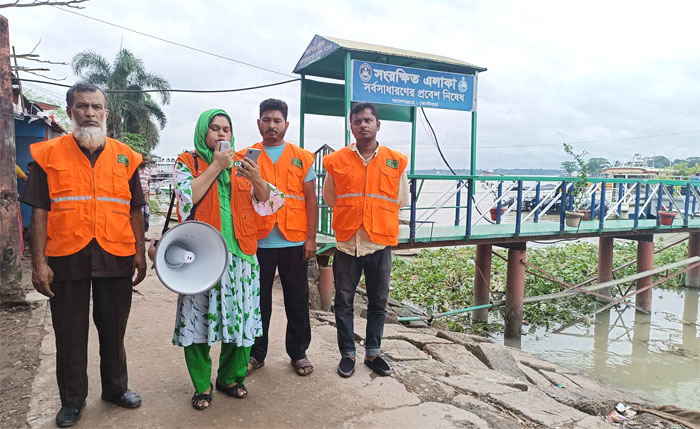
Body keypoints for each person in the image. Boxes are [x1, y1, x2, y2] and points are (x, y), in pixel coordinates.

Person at [19, 82, 147, 428]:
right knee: (69, 332)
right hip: (65, 254)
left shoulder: (126, 157)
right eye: (82, 107)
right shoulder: (47, 155)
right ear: (70, 110)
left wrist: (139, 252)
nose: (89, 113)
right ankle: (72, 401)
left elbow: (136, 209)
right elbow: (40, 212)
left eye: (96, 107)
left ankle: (116, 389)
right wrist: (39, 263)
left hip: (115, 253)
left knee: (113, 329)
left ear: (107, 113)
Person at [171, 109, 284, 411]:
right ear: (202, 134)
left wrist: (257, 179)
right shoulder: (188, 162)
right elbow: (186, 197)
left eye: (226, 129)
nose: (221, 134)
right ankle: (202, 384)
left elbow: (272, 203)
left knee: (242, 322)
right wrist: (215, 166)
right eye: (215, 129)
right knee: (198, 324)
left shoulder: (243, 166)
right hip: (200, 260)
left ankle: (231, 378)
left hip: (241, 257)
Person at [322, 102, 409, 378]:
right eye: (358, 121)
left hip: (379, 242)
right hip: (348, 241)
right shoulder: (336, 161)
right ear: (351, 126)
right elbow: (330, 197)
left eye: (368, 120)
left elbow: (401, 199)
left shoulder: (395, 160)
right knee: (343, 302)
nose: (363, 125)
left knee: (378, 301)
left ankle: (373, 353)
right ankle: (348, 354)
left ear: (377, 125)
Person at [241, 99, 317, 377]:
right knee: (257, 301)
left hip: (294, 239)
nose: (271, 125)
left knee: (297, 299)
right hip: (257, 241)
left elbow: (311, 200)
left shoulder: (302, 157)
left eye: (277, 120)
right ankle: (255, 353)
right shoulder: (245, 156)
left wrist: (311, 238)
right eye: (266, 120)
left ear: (287, 124)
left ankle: (298, 352)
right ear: (258, 122)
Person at [138, 154, 152, 233]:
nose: (145, 162)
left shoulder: (148, 170)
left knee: (145, 217)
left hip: (145, 196)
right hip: (137, 197)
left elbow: (148, 183)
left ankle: (143, 235)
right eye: (144, 160)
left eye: (147, 160)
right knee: (138, 217)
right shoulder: (135, 170)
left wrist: (147, 196)